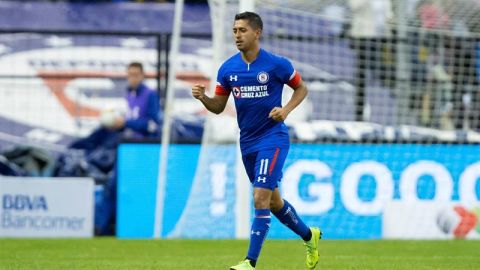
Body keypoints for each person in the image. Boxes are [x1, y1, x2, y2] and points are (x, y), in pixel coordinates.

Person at [191, 12, 321, 270]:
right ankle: (310, 236)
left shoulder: (276, 64)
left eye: (242, 30)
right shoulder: (228, 69)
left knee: (259, 198)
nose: (237, 35)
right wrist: (204, 98)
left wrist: (285, 110)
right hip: (247, 142)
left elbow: (302, 88)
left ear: (257, 32)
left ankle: (250, 262)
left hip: (272, 138)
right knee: (273, 203)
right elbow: (218, 106)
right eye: (235, 30)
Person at [66, 61, 162, 235]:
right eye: (129, 74)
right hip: (126, 147)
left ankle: (133, 227)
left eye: (135, 74)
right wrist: (116, 124)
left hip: (143, 150)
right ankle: (101, 227)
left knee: (135, 188)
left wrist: (126, 122)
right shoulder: (129, 94)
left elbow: (153, 125)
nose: (132, 78)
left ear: (142, 76)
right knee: (113, 186)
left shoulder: (150, 95)